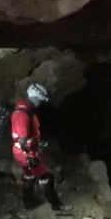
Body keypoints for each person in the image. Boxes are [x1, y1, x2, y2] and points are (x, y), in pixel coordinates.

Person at [10, 83, 70, 211]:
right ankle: (56, 205)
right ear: (35, 97)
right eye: (40, 100)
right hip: (24, 152)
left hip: (22, 151)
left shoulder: (25, 110)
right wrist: (31, 156)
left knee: (29, 175)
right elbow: (23, 140)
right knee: (46, 176)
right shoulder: (22, 114)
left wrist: (38, 144)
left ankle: (29, 202)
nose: (41, 103)